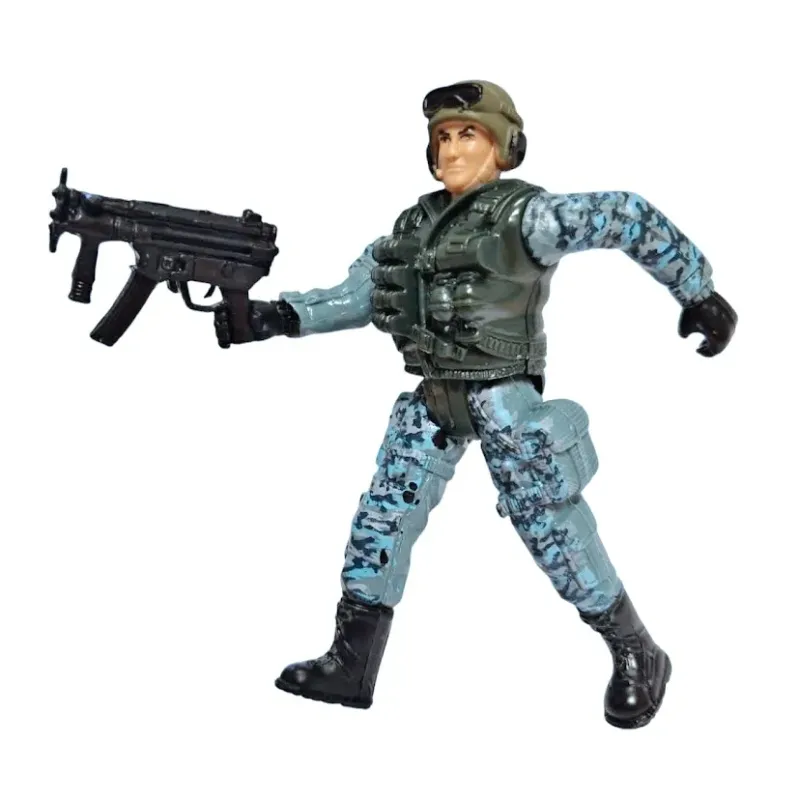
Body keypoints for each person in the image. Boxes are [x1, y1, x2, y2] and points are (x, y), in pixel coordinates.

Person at [213, 80, 736, 728]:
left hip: (503, 400)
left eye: (469, 134)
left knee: (551, 528)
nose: (452, 149)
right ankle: (351, 663)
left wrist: (697, 291)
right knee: (381, 522)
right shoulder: (413, 225)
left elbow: (626, 216)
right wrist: (277, 316)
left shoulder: (528, 219)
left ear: (504, 146)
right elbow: (358, 295)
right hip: (432, 399)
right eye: (442, 136)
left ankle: (636, 653)